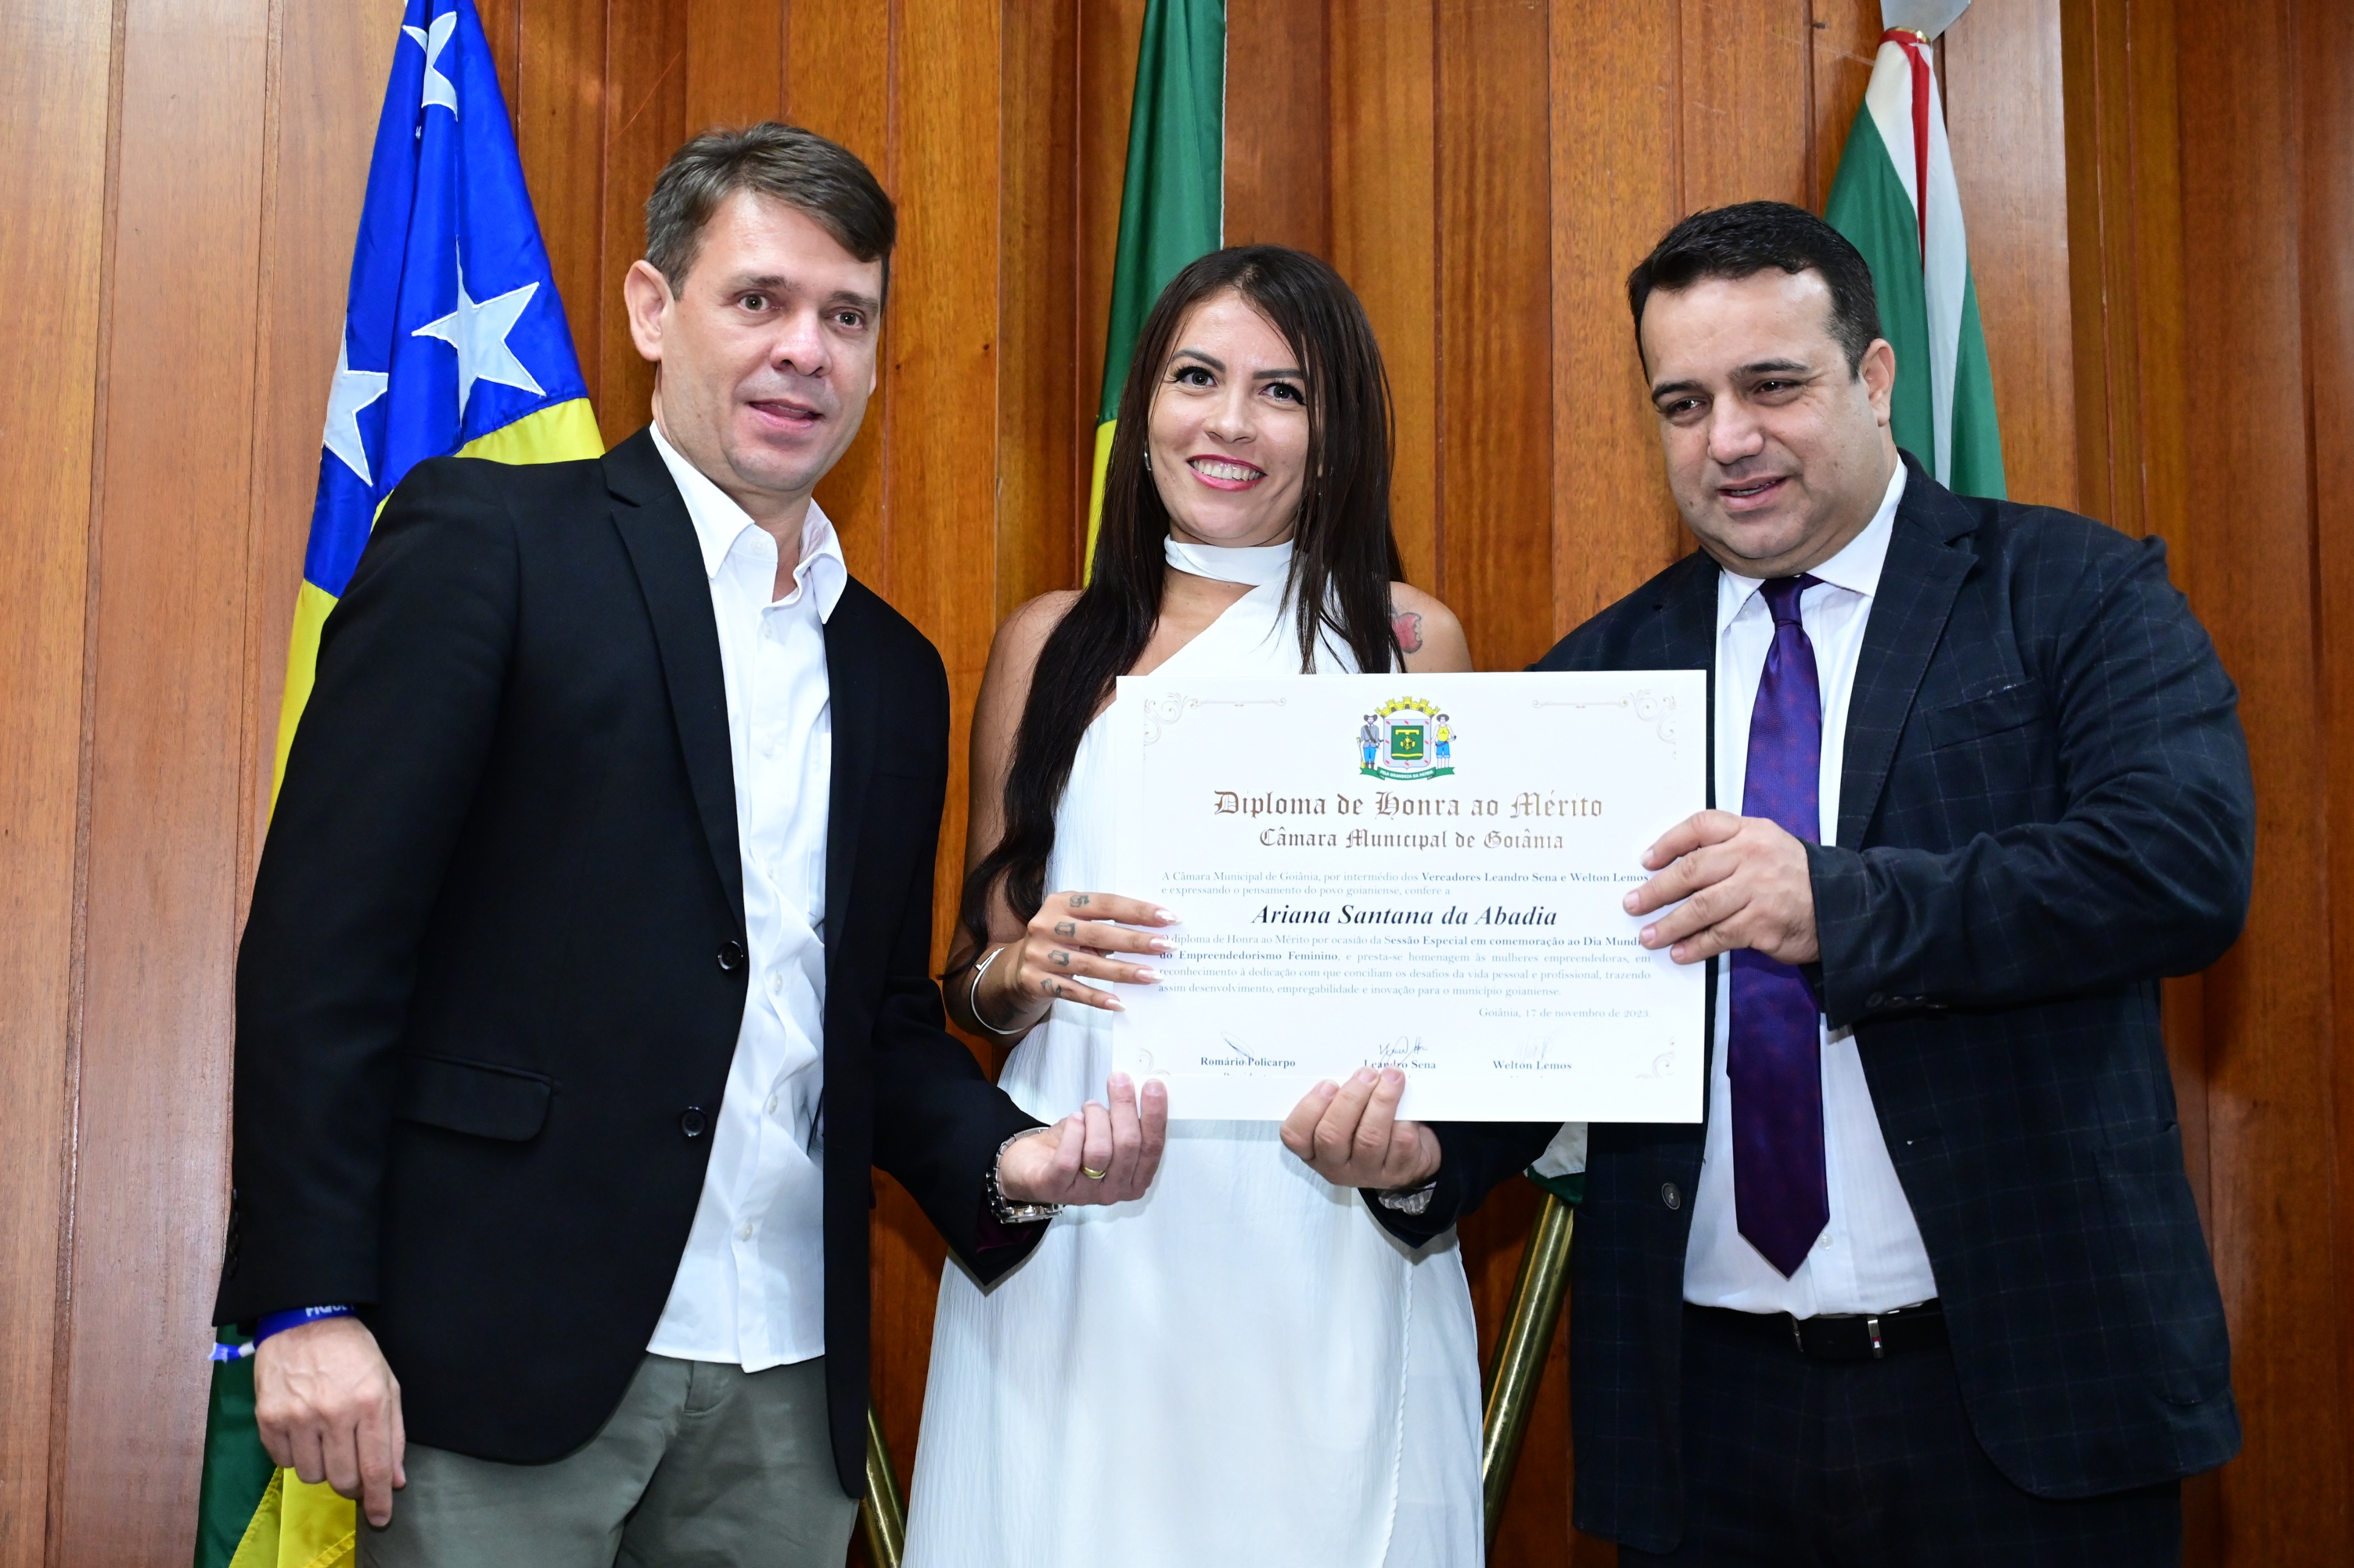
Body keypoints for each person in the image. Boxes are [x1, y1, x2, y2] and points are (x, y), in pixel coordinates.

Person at [212, 123, 1162, 1568]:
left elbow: (875, 1022)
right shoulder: (488, 542)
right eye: (758, 300)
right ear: (654, 310)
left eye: (847, 316)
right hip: (497, 1364)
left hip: (785, 1380)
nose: (805, 352)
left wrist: (1009, 1162)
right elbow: (322, 948)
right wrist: (308, 1300)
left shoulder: (893, 668)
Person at [1530, 201, 2251, 1563]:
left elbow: (2181, 864)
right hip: (1704, 1419)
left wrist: (1836, 906)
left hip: (2023, 1399)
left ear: (1873, 378)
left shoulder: (2072, 592)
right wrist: (1419, 1162)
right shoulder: (1595, 677)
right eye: (1683, 403)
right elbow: (1532, 999)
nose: (1727, 439)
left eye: (1772, 386)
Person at [903, 246, 1538, 1567]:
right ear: (1144, 410)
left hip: (1323, 1207)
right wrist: (1020, 973)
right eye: (1196, 378)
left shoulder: (1410, 643)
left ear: (1337, 428)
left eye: (1281, 390)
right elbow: (972, 974)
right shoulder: (1049, 640)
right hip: (1087, 1194)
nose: (1230, 422)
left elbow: (1461, 972)